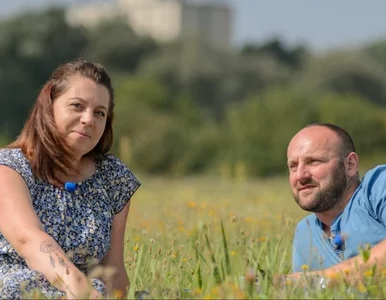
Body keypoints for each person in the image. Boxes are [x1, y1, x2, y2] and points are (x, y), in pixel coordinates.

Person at [0, 59, 141, 299]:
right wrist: (84, 293)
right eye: (77, 106)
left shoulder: (113, 178)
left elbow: (113, 271)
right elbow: (29, 241)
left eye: (100, 113)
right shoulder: (10, 168)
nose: (88, 119)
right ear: (49, 106)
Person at [286, 123, 386, 284]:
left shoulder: (377, 186)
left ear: (350, 165)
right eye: (293, 166)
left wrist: (320, 280)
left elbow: (308, 284)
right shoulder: (305, 233)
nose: (300, 175)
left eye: (313, 161)